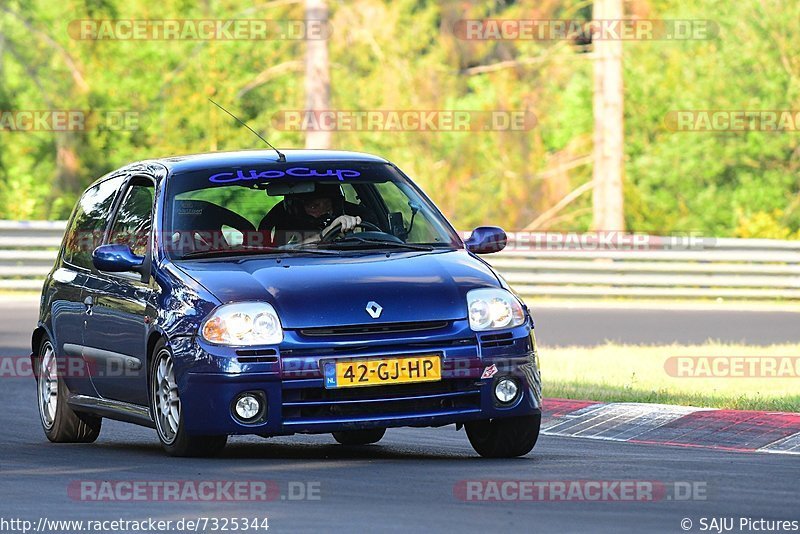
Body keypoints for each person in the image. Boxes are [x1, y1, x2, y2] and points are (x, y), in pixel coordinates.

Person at [259, 182, 372, 245]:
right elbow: (277, 254)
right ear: (297, 208)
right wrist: (326, 233)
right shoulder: (282, 215)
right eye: (313, 206)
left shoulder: (352, 212)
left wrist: (354, 228)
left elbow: (381, 236)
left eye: (327, 205)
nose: (321, 212)